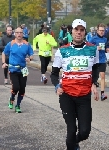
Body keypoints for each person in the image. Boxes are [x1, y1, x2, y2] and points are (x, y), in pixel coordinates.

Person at [50, 19, 100, 150]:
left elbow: (95, 69)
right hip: (67, 95)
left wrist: (94, 83)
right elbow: (54, 74)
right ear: (71, 31)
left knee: (84, 132)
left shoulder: (93, 49)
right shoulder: (62, 51)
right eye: (76, 30)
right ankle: (72, 146)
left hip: (84, 96)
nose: (78, 32)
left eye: (81, 30)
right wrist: (57, 86)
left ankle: (72, 143)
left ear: (85, 32)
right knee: (71, 129)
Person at [2, 27, 33, 113]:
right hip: (13, 69)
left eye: (21, 33)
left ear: (23, 34)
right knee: (16, 87)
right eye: (17, 32)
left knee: (22, 89)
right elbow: (4, 53)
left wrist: (29, 59)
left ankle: (18, 105)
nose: (19, 34)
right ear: (14, 34)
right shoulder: (11, 44)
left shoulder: (27, 44)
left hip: (23, 69)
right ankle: (12, 99)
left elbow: (31, 55)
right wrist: (3, 63)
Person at [90, 23, 109, 101]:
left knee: (103, 75)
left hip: (102, 59)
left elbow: (106, 47)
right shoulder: (93, 39)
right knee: (94, 78)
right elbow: (88, 48)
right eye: (100, 30)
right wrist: (95, 47)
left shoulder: (105, 39)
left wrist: (107, 49)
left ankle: (102, 93)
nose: (102, 32)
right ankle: (94, 90)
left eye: (103, 31)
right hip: (95, 60)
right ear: (97, 30)